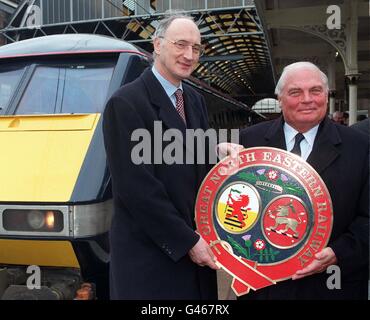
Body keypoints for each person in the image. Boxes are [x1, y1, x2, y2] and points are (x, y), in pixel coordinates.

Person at [102, 14, 218, 299]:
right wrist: (188, 241)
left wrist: (217, 151)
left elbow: (192, 161)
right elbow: (137, 189)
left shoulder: (194, 100)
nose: (189, 55)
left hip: (195, 249)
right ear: (157, 45)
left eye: (196, 48)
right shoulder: (126, 103)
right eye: (181, 44)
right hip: (152, 257)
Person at [233, 61, 368, 300]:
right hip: (265, 288)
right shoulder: (247, 142)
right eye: (295, 92)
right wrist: (220, 163)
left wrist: (338, 253)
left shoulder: (359, 147)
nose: (307, 99)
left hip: (333, 286)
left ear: (326, 96)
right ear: (280, 98)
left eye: (315, 91)